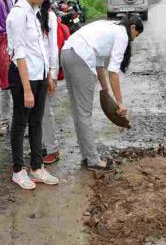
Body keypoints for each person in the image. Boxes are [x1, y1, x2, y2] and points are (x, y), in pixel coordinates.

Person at [61, 16, 144, 172]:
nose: (134, 39)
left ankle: (87, 156)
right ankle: (93, 160)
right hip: (81, 57)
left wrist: (104, 89)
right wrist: (120, 103)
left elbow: (99, 63)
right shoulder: (122, 34)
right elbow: (113, 71)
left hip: (67, 53)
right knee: (84, 113)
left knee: (78, 112)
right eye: (136, 35)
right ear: (133, 28)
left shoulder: (109, 26)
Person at [6, 0, 59, 190]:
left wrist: (48, 73)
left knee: (36, 121)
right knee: (20, 123)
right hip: (23, 77)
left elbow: (41, 48)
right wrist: (27, 89)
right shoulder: (17, 15)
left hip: (39, 75)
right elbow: (19, 53)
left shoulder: (35, 13)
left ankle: (36, 167)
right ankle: (18, 170)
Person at [0, 0, 24, 137]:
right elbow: (0, 24)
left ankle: (21, 123)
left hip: (24, 46)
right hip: (4, 44)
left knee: (23, 83)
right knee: (5, 85)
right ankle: (4, 122)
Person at [37, 0, 60, 165]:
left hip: (45, 70)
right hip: (32, 70)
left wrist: (52, 74)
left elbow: (53, 46)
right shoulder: (28, 13)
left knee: (45, 111)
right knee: (35, 112)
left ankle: (52, 148)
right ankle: (43, 146)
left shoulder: (49, 15)